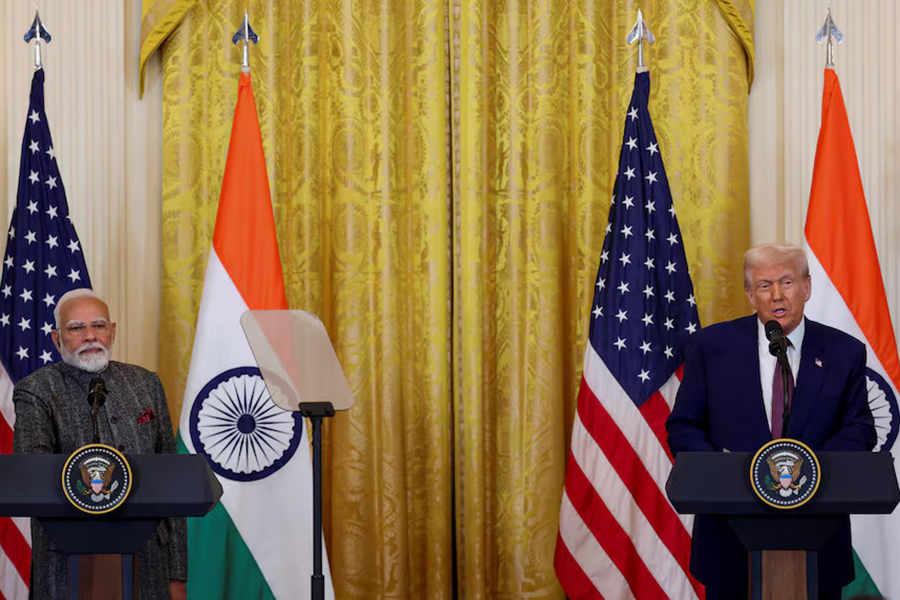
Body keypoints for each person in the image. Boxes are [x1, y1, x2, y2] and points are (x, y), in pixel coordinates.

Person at [666, 244, 875, 599]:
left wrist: (809, 470)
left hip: (818, 538)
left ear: (807, 288)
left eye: (787, 282)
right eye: (764, 286)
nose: (777, 295)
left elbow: (860, 429)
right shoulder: (711, 346)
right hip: (729, 538)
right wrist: (723, 472)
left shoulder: (844, 352)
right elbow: (683, 426)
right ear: (750, 295)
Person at [13, 289, 187, 600]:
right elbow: (31, 475)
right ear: (56, 338)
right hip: (66, 565)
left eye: (99, 325)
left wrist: (177, 573)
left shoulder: (145, 383)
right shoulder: (36, 390)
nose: (90, 336)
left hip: (148, 563)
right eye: (76, 328)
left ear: (112, 331)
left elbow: (171, 481)